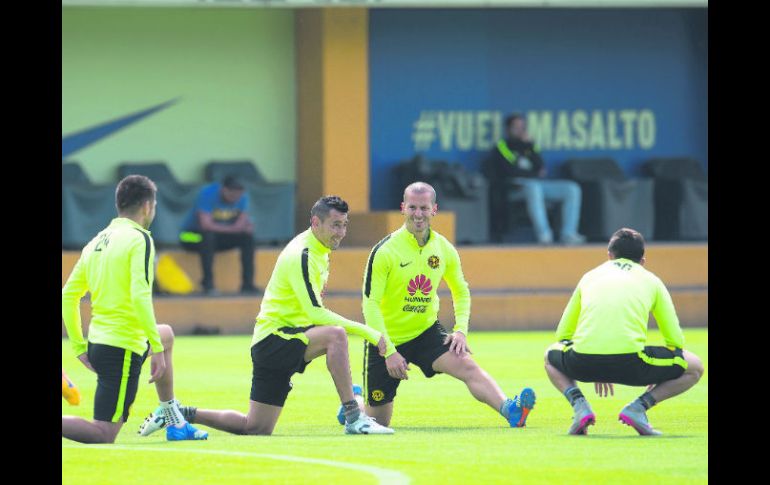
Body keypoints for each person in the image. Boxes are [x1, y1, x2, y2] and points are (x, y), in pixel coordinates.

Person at [142, 196, 394, 436]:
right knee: (335, 336)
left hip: (283, 339)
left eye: (344, 225)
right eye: (335, 225)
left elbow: (310, 312)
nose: (341, 232)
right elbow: (314, 312)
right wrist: (371, 333)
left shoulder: (321, 249)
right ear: (315, 222)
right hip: (275, 340)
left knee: (256, 427)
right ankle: (354, 417)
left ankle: (178, 412)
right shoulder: (303, 254)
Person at [343, 181, 535, 429]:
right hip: (386, 339)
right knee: (378, 421)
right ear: (403, 208)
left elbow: (461, 291)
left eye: (424, 208)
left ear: (434, 209)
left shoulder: (444, 248)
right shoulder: (385, 251)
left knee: (466, 364)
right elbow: (370, 304)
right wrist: (388, 351)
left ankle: (511, 409)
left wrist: (460, 330)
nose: (418, 214)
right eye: (413, 207)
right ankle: (353, 403)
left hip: (425, 332)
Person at [62, 175, 207, 443]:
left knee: (166, 334)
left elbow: (68, 296)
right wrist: (156, 348)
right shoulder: (140, 239)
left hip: (101, 342)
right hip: (122, 348)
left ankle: (173, 418)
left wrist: (80, 347)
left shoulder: (96, 241)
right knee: (103, 433)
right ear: (147, 206)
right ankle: (170, 416)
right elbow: (140, 296)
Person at [544, 227, 704, 435]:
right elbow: (674, 339)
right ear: (642, 261)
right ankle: (639, 407)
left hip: (583, 362)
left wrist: (598, 362)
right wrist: (662, 372)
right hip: (633, 365)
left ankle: (579, 406)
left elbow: (563, 334)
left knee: (550, 355)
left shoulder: (589, 276)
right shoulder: (652, 280)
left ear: (609, 255)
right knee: (695, 367)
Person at [483, 113, 585, 245]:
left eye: (522, 127)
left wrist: (529, 147)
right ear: (508, 129)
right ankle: (545, 235)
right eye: (516, 127)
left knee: (571, 189)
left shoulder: (529, 145)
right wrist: (532, 173)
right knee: (533, 187)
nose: (520, 131)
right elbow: (510, 171)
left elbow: (541, 168)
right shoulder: (502, 146)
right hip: (515, 187)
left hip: (537, 184)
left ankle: (569, 234)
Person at [179, 175, 257, 295]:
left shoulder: (242, 197)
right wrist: (235, 228)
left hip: (218, 237)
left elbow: (243, 224)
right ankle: (208, 284)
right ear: (223, 190)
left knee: (247, 238)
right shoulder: (208, 193)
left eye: (238, 195)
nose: (235, 199)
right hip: (189, 236)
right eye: (232, 195)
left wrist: (242, 228)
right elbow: (206, 225)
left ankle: (248, 284)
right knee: (207, 237)